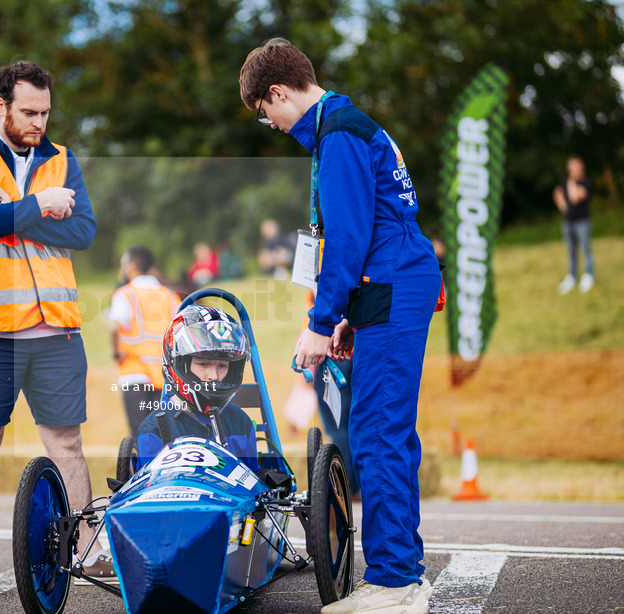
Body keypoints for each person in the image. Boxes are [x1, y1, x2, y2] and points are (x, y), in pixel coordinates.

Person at [240, 39, 440, 613]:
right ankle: (403, 571)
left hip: (392, 282)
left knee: (378, 433)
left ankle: (396, 582)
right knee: (386, 432)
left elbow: (349, 240)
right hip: (387, 287)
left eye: (265, 112)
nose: (271, 124)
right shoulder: (344, 126)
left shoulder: (340, 133)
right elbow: (370, 227)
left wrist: (321, 321)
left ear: (278, 92)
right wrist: (352, 315)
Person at [0, 60, 104, 601]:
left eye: (46, 112)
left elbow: (83, 231)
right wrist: (39, 207)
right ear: (1, 107)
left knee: (68, 444)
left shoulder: (62, 159)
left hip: (55, 329)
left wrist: (13, 211)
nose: (39, 122)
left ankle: (81, 550)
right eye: (29, 112)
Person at [136, 305, 259, 473]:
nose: (214, 376)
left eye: (222, 366)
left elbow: (254, 485)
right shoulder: (154, 430)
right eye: (203, 364)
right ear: (181, 364)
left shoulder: (240, 422)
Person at [109, 246, 181, 437]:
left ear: (132, 265)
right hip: (162, 373)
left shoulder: (125, 294)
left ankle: (139, 468)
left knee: (138, 432)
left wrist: (117, 352)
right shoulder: (168, 294)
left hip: (134, 371)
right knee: (162, 433)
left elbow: (114, 327)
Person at [553, 156, 594, 294]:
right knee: (571, 251)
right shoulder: (565, 182)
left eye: (576, 167)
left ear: (581, 168)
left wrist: (571, 182)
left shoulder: (585, 182)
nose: (574, 170)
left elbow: (575, 198)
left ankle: (588, 275)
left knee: (585, 249)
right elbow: (557, 192)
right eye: (572, 167)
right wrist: (562, 205)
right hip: (568, 223)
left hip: (582, 222)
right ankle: (572, 277)